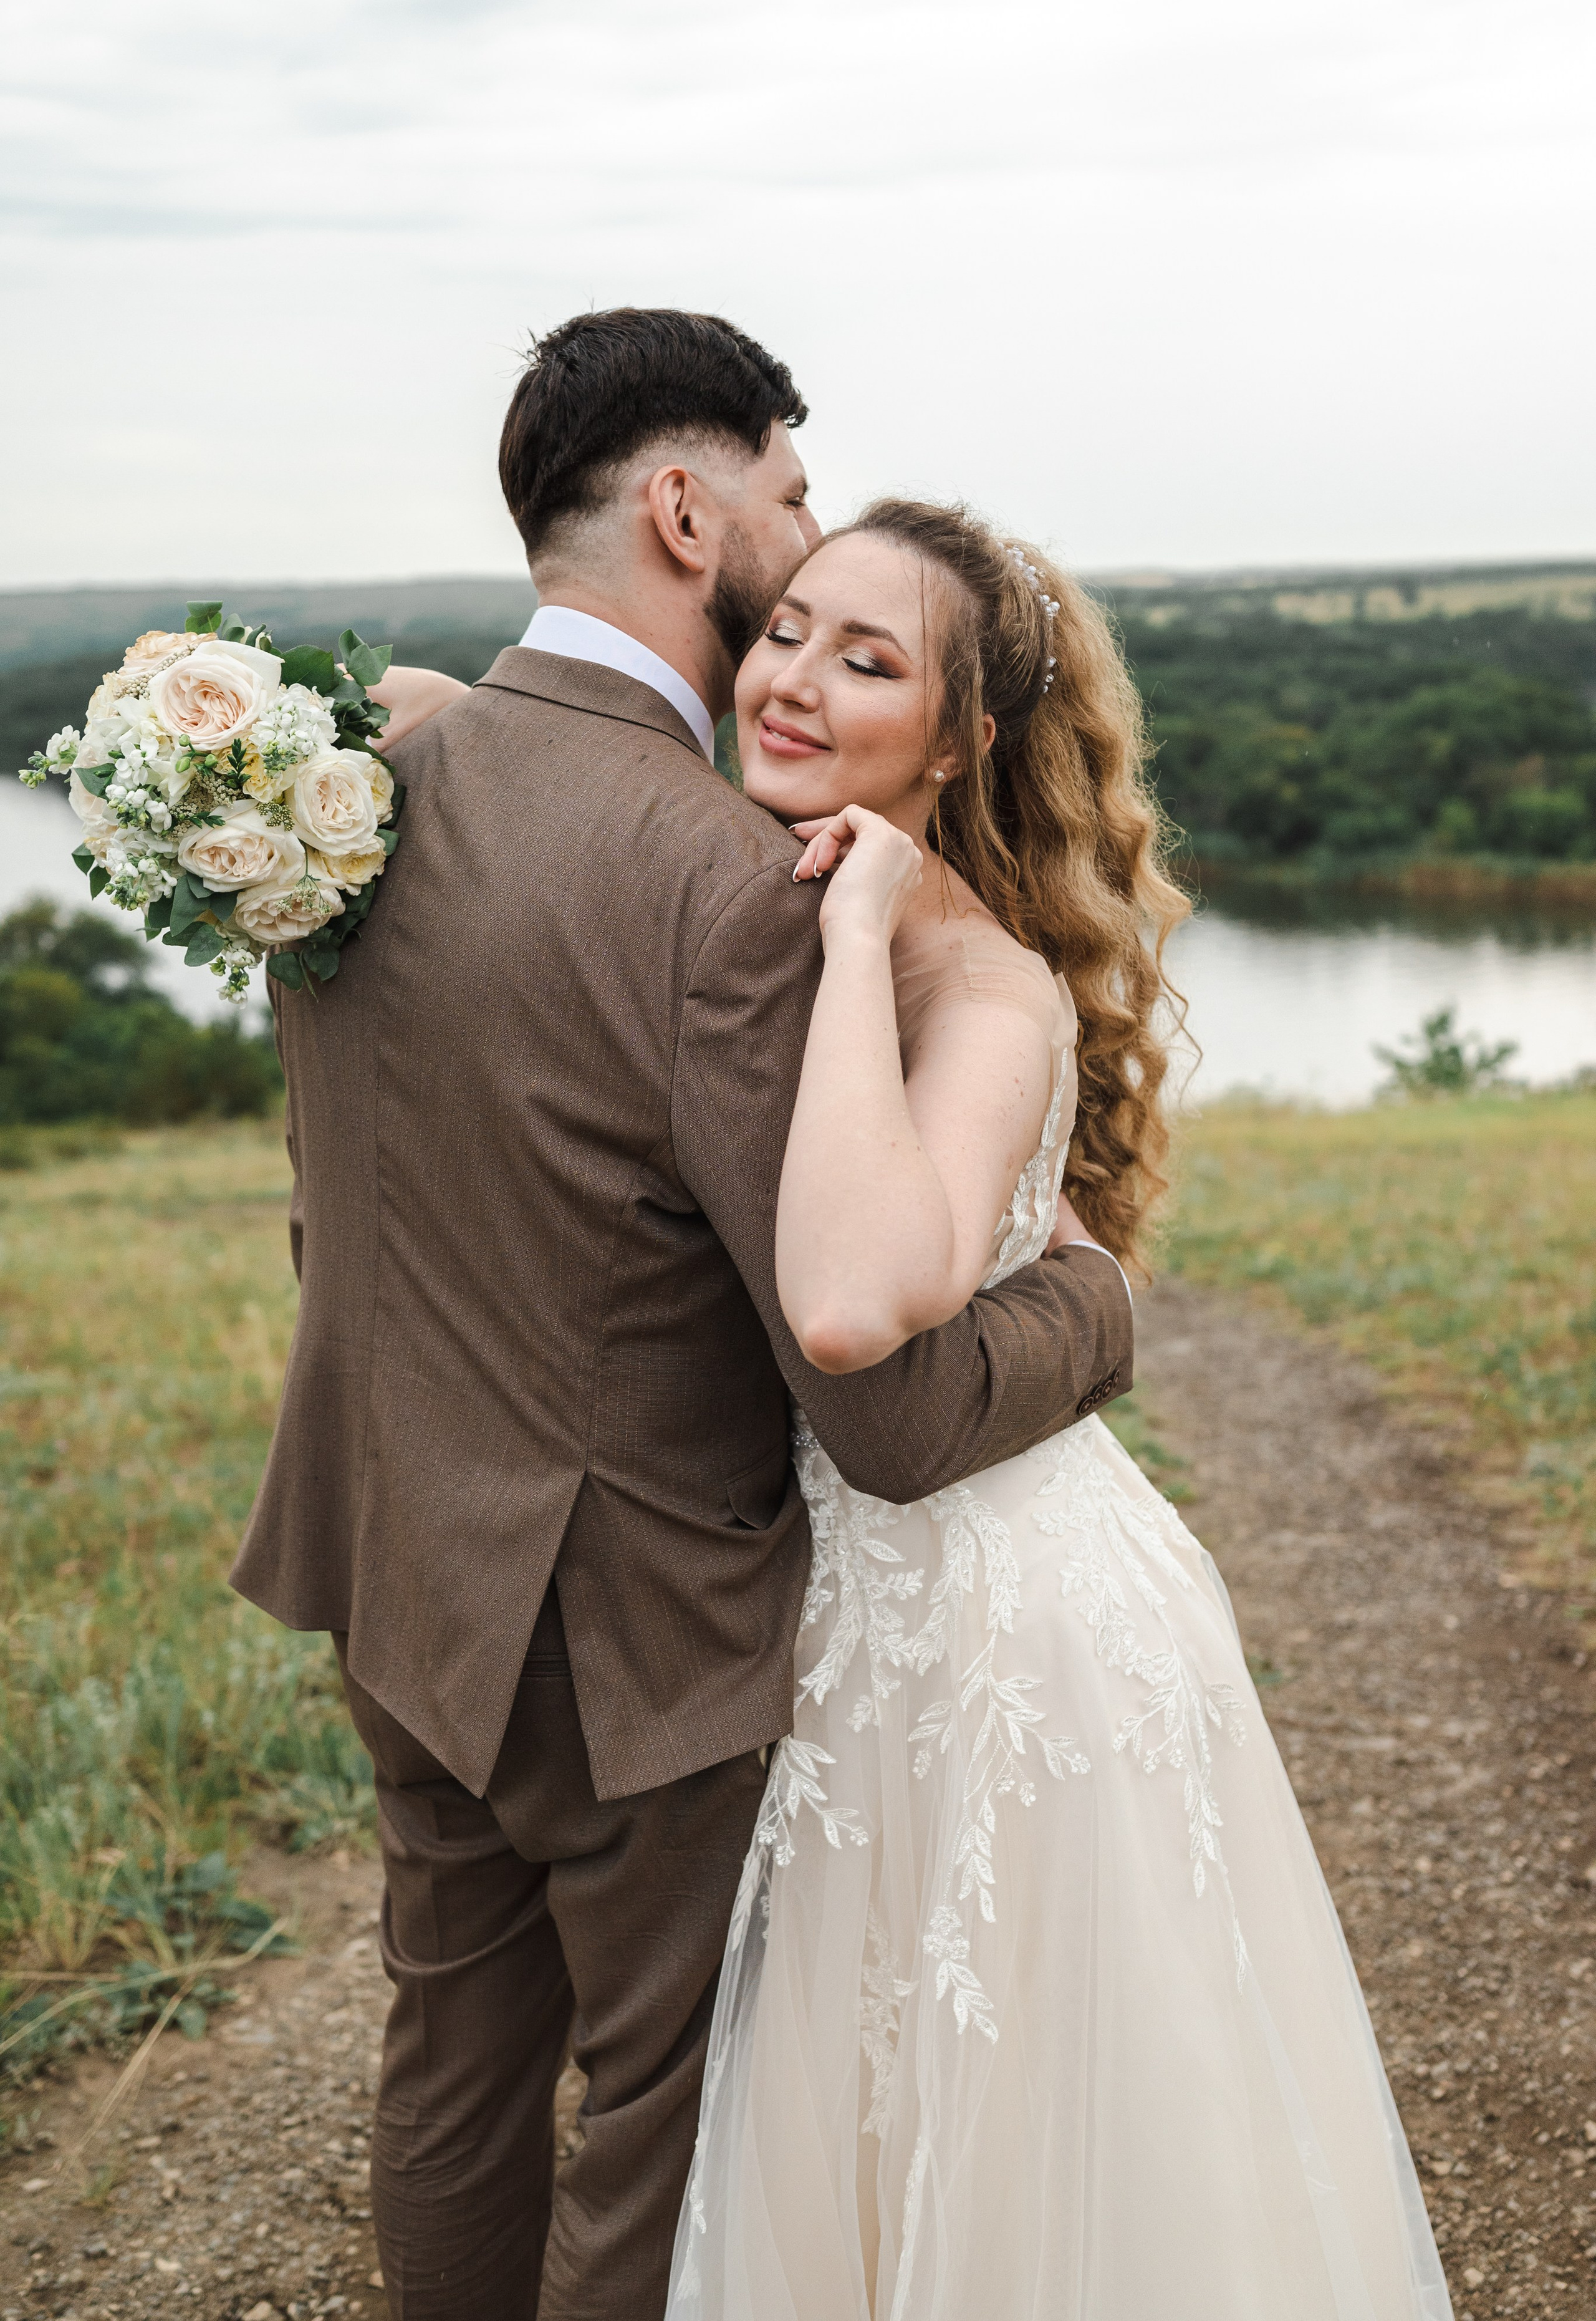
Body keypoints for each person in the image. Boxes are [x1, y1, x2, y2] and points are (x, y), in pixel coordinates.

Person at [231, 309, 1134, 2321]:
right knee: (660, 2117)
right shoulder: (739, 882)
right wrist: (1096, 1304)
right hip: (629, 1630)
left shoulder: (351, 793)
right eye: (790, 501)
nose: (805, 541)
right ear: (682, 509)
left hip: (393, 1552)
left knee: (453, 2064)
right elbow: (886, 1405)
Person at [662, 501, 1454, 2320]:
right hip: (870, 1623)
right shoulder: (772, 887)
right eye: (788, 631)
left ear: (957, 746)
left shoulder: (981, 985)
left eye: (870, 661)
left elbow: (851, 1302)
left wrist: (861, 929)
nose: (795, 680)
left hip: (1002, 1637)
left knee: (1035, 2145)